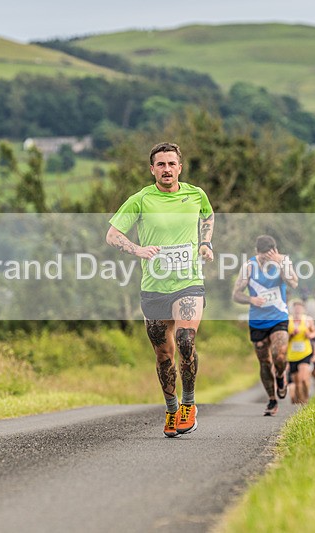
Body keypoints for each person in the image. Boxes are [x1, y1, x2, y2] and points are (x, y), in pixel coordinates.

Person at [106, 142, 214, 438]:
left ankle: (188, 405)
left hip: (189, 282)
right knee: (164, 355)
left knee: (185, 340)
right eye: (161, 165)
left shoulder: (196, 194)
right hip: (154, 288)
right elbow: (113, 235)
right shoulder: (140, 200)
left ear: (180, 167)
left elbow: (207, 215)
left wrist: (205, 243)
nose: (167, 169)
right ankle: (171, 407)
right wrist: (137, 249)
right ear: (152, 169)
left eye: (171, 164)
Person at [232, 235, 298, 416]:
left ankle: (280, 375)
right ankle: (271, 399)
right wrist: (251, 299)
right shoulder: (249, 267)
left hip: (279, 316)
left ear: (274, 252)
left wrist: (280, 263)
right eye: (262, 257)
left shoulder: (283, 261)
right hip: (257, 320)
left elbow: (293, 282)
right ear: (256, 253)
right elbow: (236, 294)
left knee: (279, 354)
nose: (264, 261)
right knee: (264, 361)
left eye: (268, 257)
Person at [286, 299, 315, 404]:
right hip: (292, 355)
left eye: (299, 308)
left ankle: (306, 398)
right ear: (293, 309)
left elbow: (314, 332)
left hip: (305, 353)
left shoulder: (308, 320)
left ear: (303, 309)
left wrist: (309, 335)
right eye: (296, 308)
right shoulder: (288, 320)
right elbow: (284, 337)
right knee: (297, 382)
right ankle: (300, 402)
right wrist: (291, 335)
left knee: (303, 379)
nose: (298, 310)